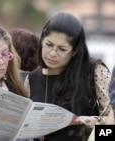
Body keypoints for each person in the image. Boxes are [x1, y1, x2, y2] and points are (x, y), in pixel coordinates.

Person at [24, 12, 114, 141]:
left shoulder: (95, 73)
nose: (53, 53)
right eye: (49, 44)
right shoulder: (32, 79)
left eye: (62, 49)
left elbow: (111, 130)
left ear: (75, 51)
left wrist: (95, 123)